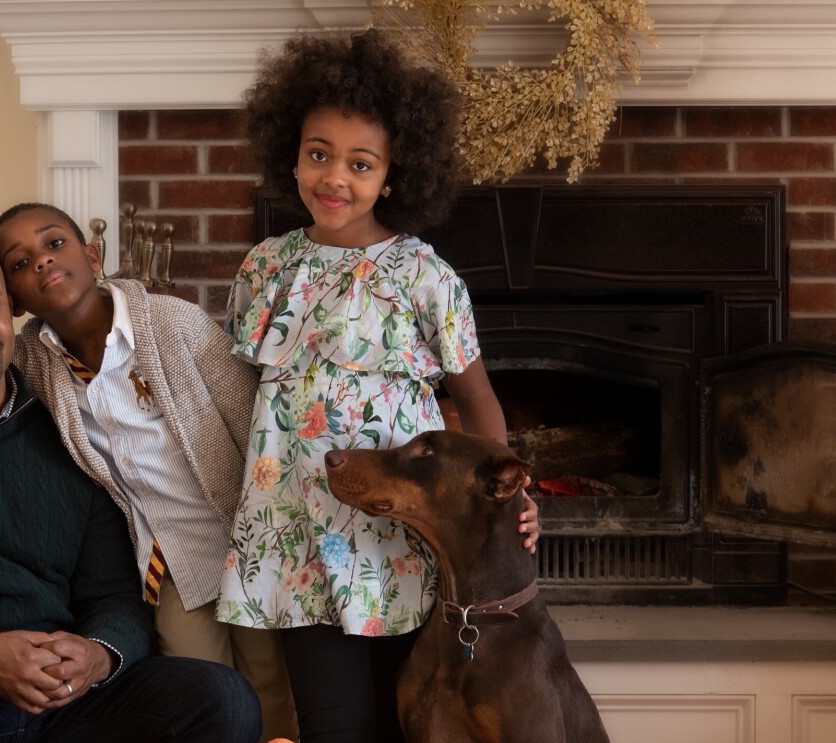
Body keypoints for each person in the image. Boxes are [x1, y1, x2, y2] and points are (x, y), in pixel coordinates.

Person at [0, 204, 299, 742]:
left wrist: (99, 654)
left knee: (243, 694)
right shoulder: (17, 377)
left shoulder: (144, 347)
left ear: (9, 308)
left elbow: (257, 428)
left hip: (229, 549)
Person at [214, 30, 536, 743]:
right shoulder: (265, 268)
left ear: (392, 174)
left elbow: (477, 397)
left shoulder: (425, 275)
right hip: (295, 530)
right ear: (291, 153)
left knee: (408, 722)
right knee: (330, 725)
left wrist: (508, 497)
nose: (335, 177)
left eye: (361, 164)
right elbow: (239, 391)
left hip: (401, 537)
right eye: (318, 153)